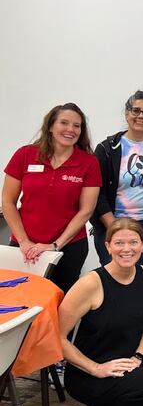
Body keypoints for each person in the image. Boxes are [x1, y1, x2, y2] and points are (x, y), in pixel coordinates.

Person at [58, 218, 143, 406]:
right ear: (107, 246)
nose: (126, 249)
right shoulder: (90, 284)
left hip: (129, 365)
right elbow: (57, 338)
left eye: (133, 242)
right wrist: (96, 369)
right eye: (119, 243)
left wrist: (138, 357)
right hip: (90, 371)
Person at [3, 103, 101, 293]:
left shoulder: (89, 163)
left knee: (61, 303)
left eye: (77, 125)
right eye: (64, 123)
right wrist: (24, 242)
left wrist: (55, 245)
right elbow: (7, 202)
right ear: (50, 126)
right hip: (23, 246)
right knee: (18, 297)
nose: (70, 130)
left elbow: (86, 210)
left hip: (68, 247)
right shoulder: (25, 155)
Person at [91, 90, 143, 266]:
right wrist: (115, 228)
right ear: (126, 113)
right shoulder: (107, 149)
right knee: (115, 282)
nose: (141, 116)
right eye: (135, 110)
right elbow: (96, 194)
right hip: (113, 224)